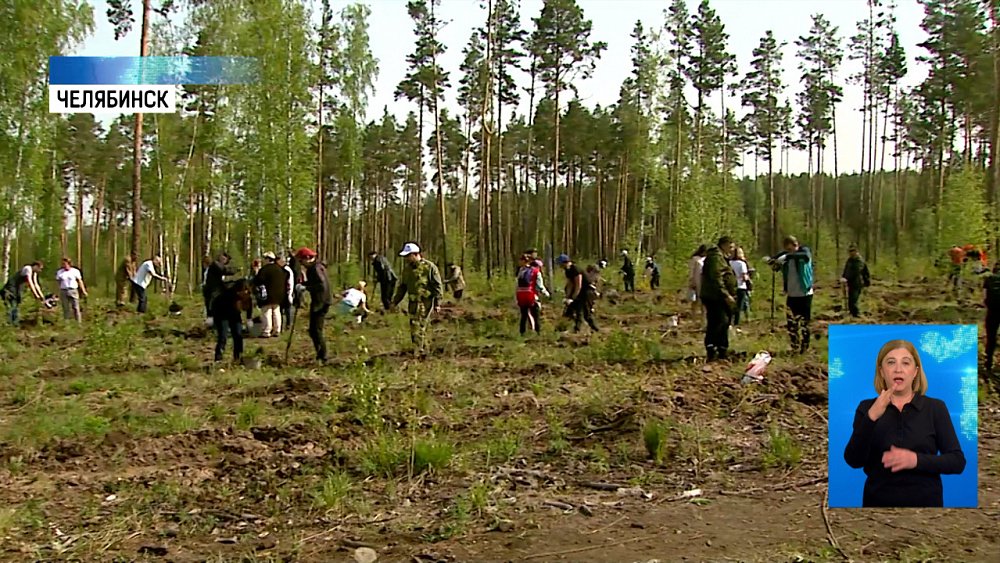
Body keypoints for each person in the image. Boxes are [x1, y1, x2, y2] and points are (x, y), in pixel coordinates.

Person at [843, 340, 966, 507]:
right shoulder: (866, 408)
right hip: (877, 506)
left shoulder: (935, 408)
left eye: (906, 363)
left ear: (915, 372)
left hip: (927, 509)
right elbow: (853, 460)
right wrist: (871, 417)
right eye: (891, 362)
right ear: (882, 371)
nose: (898, 369)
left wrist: (916, 460)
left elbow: (957, 461)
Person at [391, 243, 443, 356]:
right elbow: (402, 287)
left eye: (408, 256)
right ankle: (417, 348)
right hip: (413, 301)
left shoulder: (429, 267)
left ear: (415, 254)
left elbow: (437, 286)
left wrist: (437, 303)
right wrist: (395, 302)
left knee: (421, 324)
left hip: (426, 301)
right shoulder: (407, 270)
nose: (406, 259)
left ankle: (421, 350)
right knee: (413, 324)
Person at [770, 236, 814, 354]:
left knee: (804, 321)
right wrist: (773, 261)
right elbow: (776, 266)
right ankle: (794, 346)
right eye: (788, 248)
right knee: (791, 322)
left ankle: (805, 347)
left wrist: (787, 256)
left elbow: (805, 257)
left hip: (805, 293)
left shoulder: (804, 252)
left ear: (796, 245)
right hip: (791, 294)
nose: (791, 250)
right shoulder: (786, 256)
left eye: (793, 247)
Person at [700, 237, 738, 361]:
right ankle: (713, 349)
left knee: (724, 322)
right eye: (731, 246)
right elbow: (716, 278)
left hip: (719, 296)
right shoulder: (715, 258)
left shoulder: (722, 257)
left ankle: (722, 349)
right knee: (718, 322)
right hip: (715, 297)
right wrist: (726, 295)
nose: (732, 250)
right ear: (724, 245)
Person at [295, 247, 332, 363]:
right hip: (321, 301)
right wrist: (304, 284)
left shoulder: (315, 269)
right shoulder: (317, 267)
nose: (301, 264)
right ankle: (321, 355)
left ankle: (323, 356)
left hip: (320, 302)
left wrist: (306, 287)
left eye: (301, 261)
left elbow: (321, 286)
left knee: (316, 330)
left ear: (307, 258)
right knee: (314, 330)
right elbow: (315, 283)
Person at [212, 278, 253, 362]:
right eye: (242, 290)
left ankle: (238, 357)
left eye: (246, 290)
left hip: (234, 314)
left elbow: (249, 307)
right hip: (221, 314)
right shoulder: (227, 294)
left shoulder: (247, 295)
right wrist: (211, 317)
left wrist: (249, 319)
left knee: (238, 335)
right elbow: (215, 305)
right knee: (223, 336)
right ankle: (218, 358)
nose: (244, 292)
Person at [558, 254, 599, 333]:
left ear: (564, 262)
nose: (560, 266)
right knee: (577, 311)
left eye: (560, 264)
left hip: (587, 292)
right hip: (580, 292)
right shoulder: (568, 270)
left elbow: (578, 285)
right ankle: (577, 329)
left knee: (587, 314)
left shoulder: (576, 269)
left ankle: (596, 330)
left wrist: (573, 298)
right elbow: (570, 284)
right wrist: (568, 297)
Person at [254, 252, 290, 337]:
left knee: (266, 312)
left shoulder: (265, 269)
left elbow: (258, 280)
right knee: (276, 312)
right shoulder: (280, 269)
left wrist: (256, 272)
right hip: (279, 295)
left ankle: (266, 331)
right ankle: (277, 330)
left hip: (267, 295)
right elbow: (287, 276)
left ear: (267, 259)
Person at [1, 261, 44, 326]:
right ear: (35, 266)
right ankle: (9, 323)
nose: (40, 270)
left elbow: (36, 284)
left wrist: (41, 296)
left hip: (17, 287)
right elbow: (30, 282)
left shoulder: (34, 273)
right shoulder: (28, 269)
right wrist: (35, 294)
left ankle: (15, 322)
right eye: (39, 268)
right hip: (11, 286)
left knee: (17, 302)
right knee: (12, 303)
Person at [516, 256, 551, 335]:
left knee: (524, 315)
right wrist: (547, 294)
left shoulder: (521, 271)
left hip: (521, 295)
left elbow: (517, 285)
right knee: (536, 315)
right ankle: (538, 332)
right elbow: (540, 286)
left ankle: (522, 333)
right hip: (532, 296)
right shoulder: (536, 272)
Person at [204, 252, 239, 322]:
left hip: (215, 289)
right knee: (212, 304)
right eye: (223, 259)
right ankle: (211, 319)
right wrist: (235, 270)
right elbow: (224, 270)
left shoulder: (217, 265)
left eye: (225, 260)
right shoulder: (216, 264)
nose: (224, 261)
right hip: (213, 289)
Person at [841, 244, 871, 318]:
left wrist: (846, 278)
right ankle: (852, 314)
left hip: (858, 283)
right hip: (851, 283)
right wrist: (843, 277)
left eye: (853, 251)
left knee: (853, 299)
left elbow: (857, 271)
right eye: (850, 251)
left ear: (856, 251)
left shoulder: (859, 260)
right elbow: (846, 270)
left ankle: (857, 315)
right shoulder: (850, 260)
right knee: (850, 299)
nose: (851, 252)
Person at [55, 258, 88, 323]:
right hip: (63, 291)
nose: (64, 265)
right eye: (63, 264)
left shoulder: (75, 271)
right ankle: (67, 323)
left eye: (65, 264)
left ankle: (78, 323)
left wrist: (83, 291)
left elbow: (80, 281)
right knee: (65, 308)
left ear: (69, 264)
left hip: (73, 290)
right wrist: (56, 292)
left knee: (76, 307)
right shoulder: (60, 272)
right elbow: (58, 283)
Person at [982, 264, 1000, 383]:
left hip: (992, 312)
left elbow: (984, 297)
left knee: (991, 337)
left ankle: (988, 362)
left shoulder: (989, 279)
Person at [729, 246, 750, 328]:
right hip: (741, 286)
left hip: (731, 287)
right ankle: (736, 324)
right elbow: (744, 277)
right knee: (738, 307)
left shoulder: (729, 263)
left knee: (731, 306)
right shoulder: (742, 264)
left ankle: (729, 323)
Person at [688, 245, 707, 326]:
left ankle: (703, 319)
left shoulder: (707, 259)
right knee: (695, 300)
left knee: (704, 301)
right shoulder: (695, 259)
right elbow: (691, 270)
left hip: (704, 281)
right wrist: (691, 281)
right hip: (696, 280)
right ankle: (694, 318)